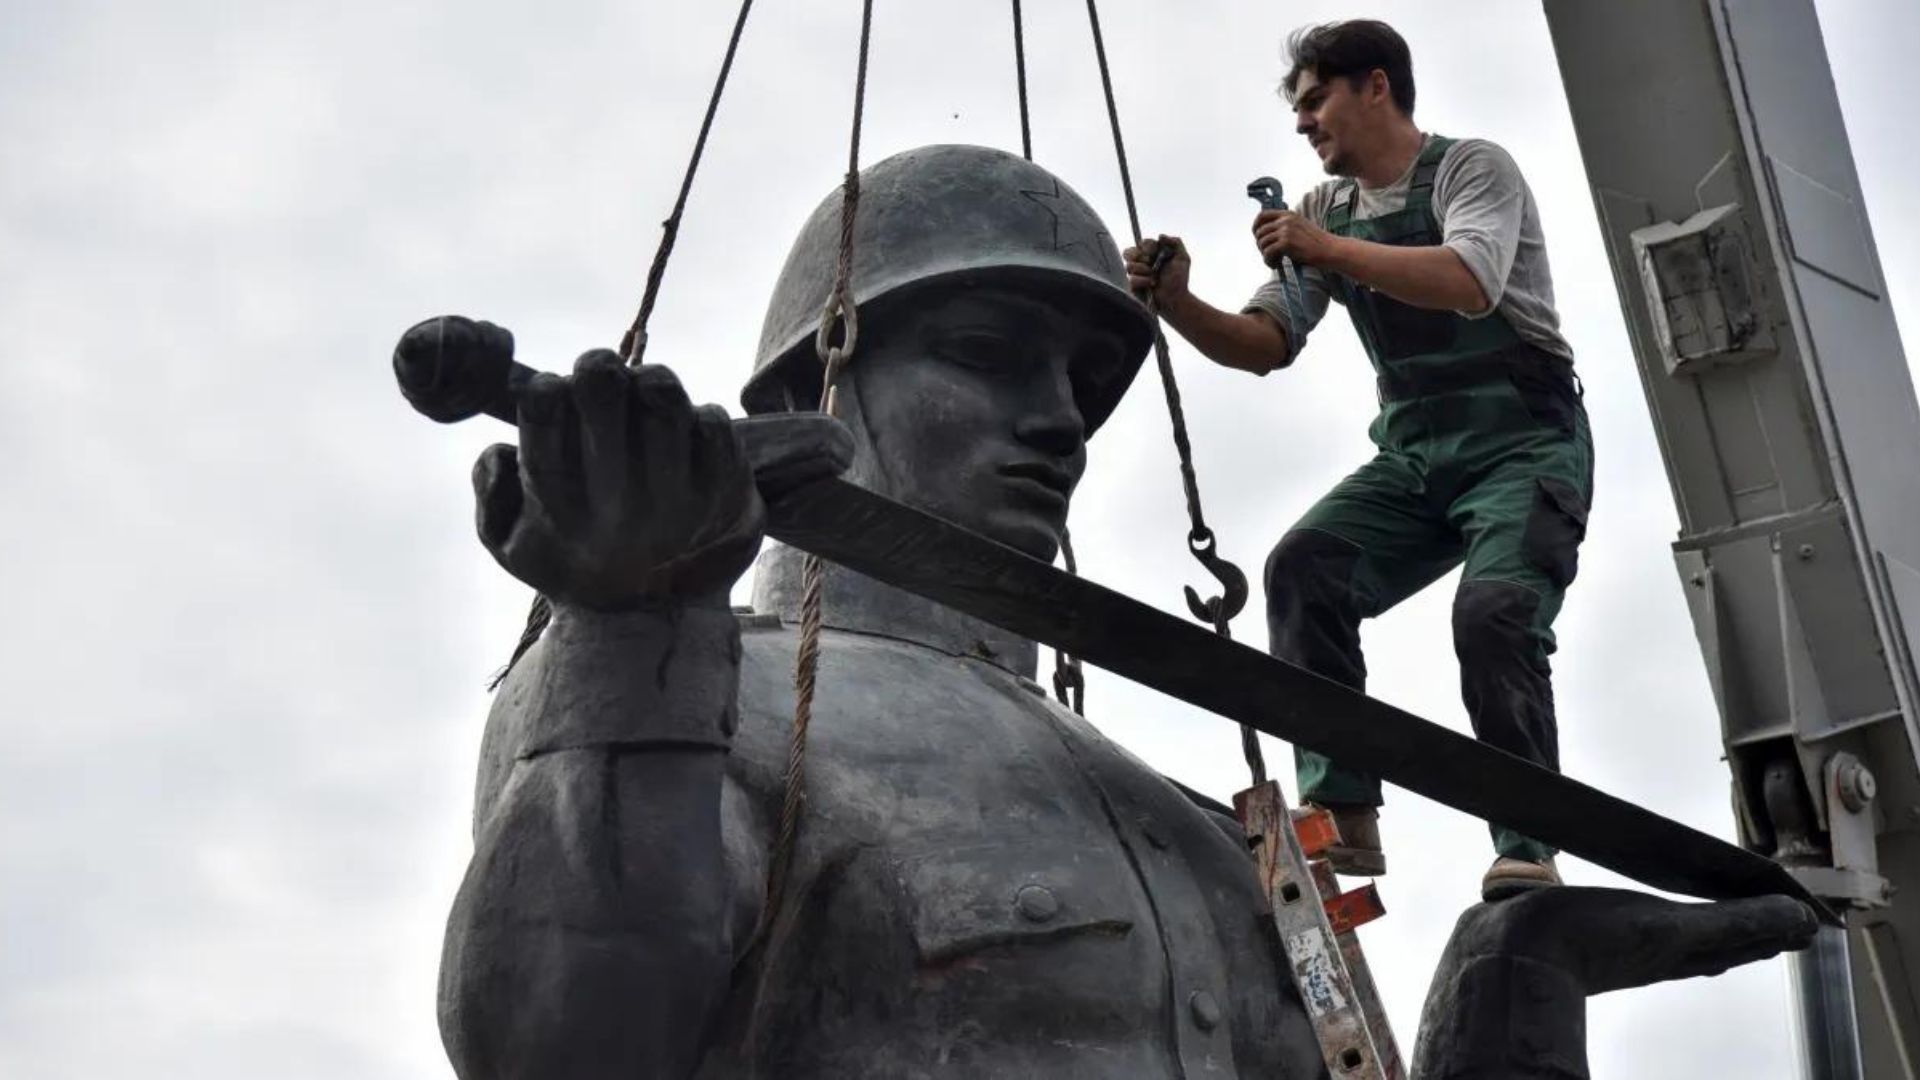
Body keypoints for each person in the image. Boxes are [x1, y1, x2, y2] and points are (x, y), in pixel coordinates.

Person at [403, 142, 1811, 1080]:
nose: (1059, 422)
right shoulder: (678, 689)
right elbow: (559, 1041)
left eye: (1083, 381)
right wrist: (633, 631)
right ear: (802, 395)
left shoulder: (1198, 834)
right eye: (984, 357)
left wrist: (1509, 989)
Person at [1127, 19, 1593, 901]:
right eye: (1298, 110)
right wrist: (1178, 298)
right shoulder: (1322, 216)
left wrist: (1326, 251)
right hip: (1417, 459)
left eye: (1315, 100)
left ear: (1375, 86)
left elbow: (1470, 280)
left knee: (1495, 615)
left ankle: (1530, 840)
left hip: (1525, 450)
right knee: (1304, 569)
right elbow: (1264, 343)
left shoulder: (1468, 170)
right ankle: (1343, 814)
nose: (1303, 124)